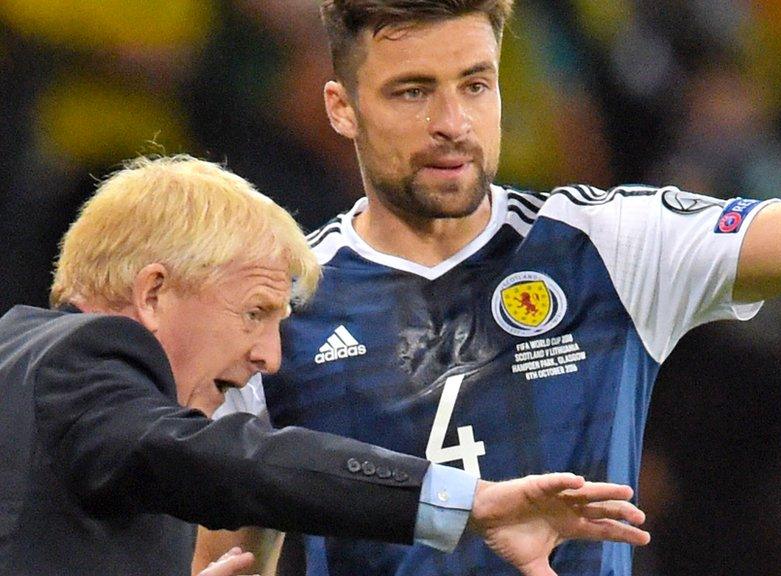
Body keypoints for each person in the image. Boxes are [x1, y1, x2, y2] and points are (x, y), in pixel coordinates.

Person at [198, 1, 781, 575]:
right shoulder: (282, 304)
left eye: (475, 84)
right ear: (341, 107)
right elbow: (228, 548)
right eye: (413, 91)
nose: (453, 120)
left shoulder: (606, 243)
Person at [0, 155, 652, 576]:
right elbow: (234, 460)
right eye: (255, 311)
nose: (270, 357)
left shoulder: (35, 383)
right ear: (152, 294)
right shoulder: (81, 363)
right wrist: (470, 503)